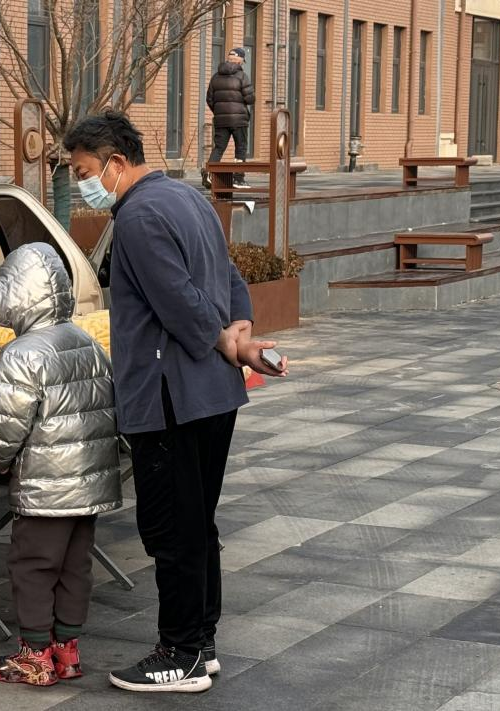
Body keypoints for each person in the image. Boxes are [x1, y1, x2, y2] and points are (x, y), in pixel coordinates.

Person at [62, 110, 287, 694]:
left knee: (170, 527)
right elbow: (231, 278)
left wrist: (222, 339)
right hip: (212, 393)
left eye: (84, 170)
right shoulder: (186, 198)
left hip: (171, 398)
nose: (81, 182)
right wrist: (238, 333)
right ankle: (201, 643)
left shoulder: (137, 216)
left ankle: (180, 652)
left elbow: (180, 302)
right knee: (197, 522)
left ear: (115, 162)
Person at [0, 243, 123, 687]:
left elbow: (6, 426)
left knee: (33, 566)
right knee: (75, 566)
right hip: (90, 486)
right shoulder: (87, 342)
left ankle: (35, 655)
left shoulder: (23, 353)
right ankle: (67, 650)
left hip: (45, 486)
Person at [203, 47, 256, 189]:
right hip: (239, 120)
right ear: (239, 60)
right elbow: (250, 99)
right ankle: (238, 179)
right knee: (241, 147)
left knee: (219, 147)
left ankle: (209, 174)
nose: (243, 64)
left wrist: (219, 112)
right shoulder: (242, 77)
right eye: (243, 61)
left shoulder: (215, 76)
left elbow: (209, 99)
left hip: (221, 120)